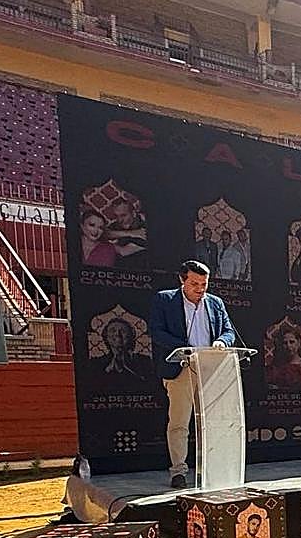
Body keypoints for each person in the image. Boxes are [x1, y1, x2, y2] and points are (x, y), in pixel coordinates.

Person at [148, 259, 237, 489]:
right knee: (179, 422)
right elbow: (157, 332)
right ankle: (178, 471)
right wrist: (185, 347)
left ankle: (212, 469)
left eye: (204, 284)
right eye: (194, 283)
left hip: (211, 368)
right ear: (182, 280)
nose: (200, 289)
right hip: (181, 368)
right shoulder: (165, 300)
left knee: (213, 423)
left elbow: (229, 331)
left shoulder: (216, 303)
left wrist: (221, 341)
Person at [91, 317, 152, 382]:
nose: (117, 334)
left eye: (123, 331)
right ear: (106, 336)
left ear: (130, 336)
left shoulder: (144, 361)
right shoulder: (96, 363)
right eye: (113, 330)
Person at [105, 199, 148, 266]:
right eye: (116, 216)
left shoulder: (144, 223)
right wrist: (131, 233)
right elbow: (103, 234)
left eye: (123, 215)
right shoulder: (116, 225)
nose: (120, 220)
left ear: (133, 213)